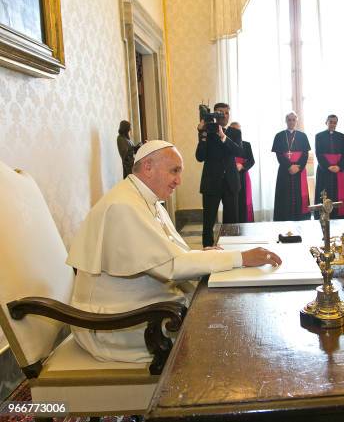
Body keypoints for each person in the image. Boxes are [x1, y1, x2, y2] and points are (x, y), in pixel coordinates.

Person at [67, 140, 281, 363]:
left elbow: (171, 254)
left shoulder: (148, 200)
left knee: (229, 309)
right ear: (148, 167)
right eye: (174, 171)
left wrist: (207, 254)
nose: (179, 180)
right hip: (115, 325)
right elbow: (170, 266)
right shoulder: (124, 205)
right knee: (226, 327)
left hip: (143, 309)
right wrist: (241, 258)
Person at [196, 103, 242, 246]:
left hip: (230, 183)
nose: (223, 115)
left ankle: (231, 249)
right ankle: (208, 251)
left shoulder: (235, 133)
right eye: (220, 112)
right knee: (208, 222)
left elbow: (239, 152)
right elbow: (200, 156)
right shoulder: (207, 133)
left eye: (226, 113)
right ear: (214, 115)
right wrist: (202, 133)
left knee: (232, 222)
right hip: (211, 183)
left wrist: (223, 136)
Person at [272, 112, 311, 221]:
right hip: (285, 171)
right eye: (289, 120)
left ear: (296, 121)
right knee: (284, 196)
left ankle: (300, 218)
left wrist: (298, 167)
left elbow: (305, 154)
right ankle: (284, 218)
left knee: (299, 196)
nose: (291, 122)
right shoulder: (279, 135)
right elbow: (279, 154)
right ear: (286, 121)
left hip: (299, 171)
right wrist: (289, 166)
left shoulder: (302, 136)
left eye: (294, 120)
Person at [314, 115, 344, 219]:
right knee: (324, 193)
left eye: (334, 122)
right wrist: (328, 166)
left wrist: (339, 166)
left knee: (338, 194)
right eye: (331, 122)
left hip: (338, 170)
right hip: (324, 170)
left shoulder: (341, 136)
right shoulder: (319, 136)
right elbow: (318, 153)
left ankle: (338, 215)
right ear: (326, 122)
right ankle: (323, 215)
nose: (333, 124)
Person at [230, 122, 255, 223]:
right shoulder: (226, 144)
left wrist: (242, 166)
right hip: (230, 177)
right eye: (233, 130)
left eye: (238, 130)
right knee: (231, 203)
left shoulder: (246, 144)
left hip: (243, 177)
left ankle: (245, 224)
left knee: (243, 202)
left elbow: (251, 161)